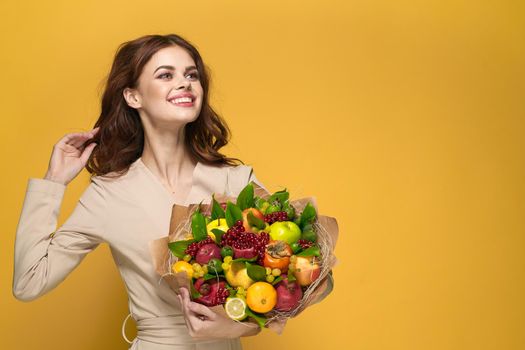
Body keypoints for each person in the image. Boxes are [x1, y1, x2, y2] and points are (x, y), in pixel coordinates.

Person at [12, 34, 265, 350]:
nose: (185, 84)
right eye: (166, 75)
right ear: (133, 97)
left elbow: (298, 278)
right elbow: (28, 282)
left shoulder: (235, 182)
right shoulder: (109, 194)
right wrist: (53, 183)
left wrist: (238, 325)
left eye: (191, 75)